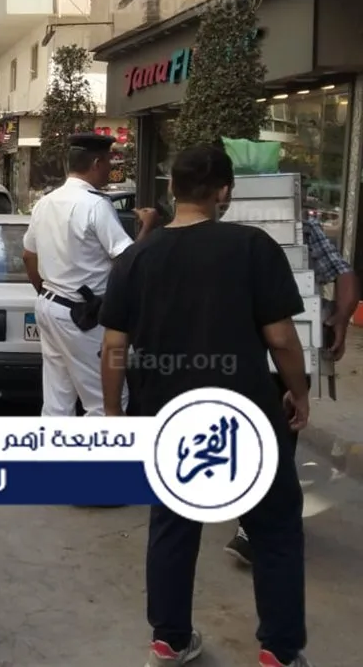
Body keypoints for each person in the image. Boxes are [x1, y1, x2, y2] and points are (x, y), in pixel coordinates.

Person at [99, 144, 313, 667]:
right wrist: (300, 392)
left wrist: (114, 415)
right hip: (248, 415)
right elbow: (282, 339)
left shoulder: (135, 258)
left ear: (172, 189)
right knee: (275, 528)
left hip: (167, 415)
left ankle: (170, 640)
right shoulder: (252, 247)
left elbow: (113, 347)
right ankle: (280, 652)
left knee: (173, 524)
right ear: (224, 192)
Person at [223, 209, 359, 566]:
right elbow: (344, 273)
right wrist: (340, 320)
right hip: (285, 353)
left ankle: (254, 526)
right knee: (275, 437)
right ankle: (259, 519)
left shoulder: (222, 225)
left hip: (251, 352)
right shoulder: (301, 224)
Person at [21, 132, 156, 416]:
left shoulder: (46, 202)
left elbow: (28, 256)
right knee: (106, 401)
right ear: (96, 163)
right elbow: (128, 261)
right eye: (109, 161)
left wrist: (47, 293)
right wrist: (147, 226)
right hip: (82, 315)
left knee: (57, 402)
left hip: (50, 306)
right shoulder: (95, 204)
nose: (110, 167)